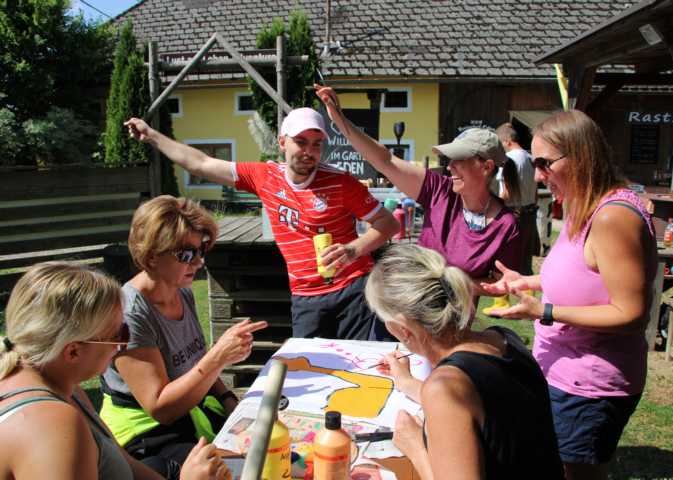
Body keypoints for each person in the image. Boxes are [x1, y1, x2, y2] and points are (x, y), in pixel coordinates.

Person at [485, 110, 658, 480]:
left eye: (545, 164)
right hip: (565, 374)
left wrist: (545, 311)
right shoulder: (585, 203)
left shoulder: (613, 217)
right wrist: (526, 282)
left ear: (580, 156)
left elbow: (631, 313)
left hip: (591, 386)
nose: (540, 176)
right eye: (535, 164)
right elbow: (583, 276)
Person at [124, 111, 398, 341]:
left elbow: (388, 222)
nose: (309, 152)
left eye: (316, 144)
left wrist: (353, 250)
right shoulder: (264, 176)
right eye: (301, 142)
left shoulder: (340, 181)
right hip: (304, 295)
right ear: (282, 142)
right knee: (310, 370)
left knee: (361, 365)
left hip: (353, 289)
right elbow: (201, 163)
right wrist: (151, 135)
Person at [0, 262, 230, 480]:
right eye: (118, 335)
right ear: (73, 352)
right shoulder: (52, 427)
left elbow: (126, 464)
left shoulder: (64, 387)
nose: (124, 344)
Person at [364, 244, 564, 480]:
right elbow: (481, 403)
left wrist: (415, 446)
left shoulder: (446, 387)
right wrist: (406, 382)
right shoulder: (502, 338)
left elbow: (456, 395)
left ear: (403, 330)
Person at [100, 196, 267, 477]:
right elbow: (160, 408)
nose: (199, 262)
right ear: (151, 256)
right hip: (146, 432)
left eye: (201, 250)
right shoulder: (130, 313)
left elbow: (195, 361)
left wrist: (228, 400)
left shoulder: (182, 291)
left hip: (189, 410)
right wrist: (218, 357)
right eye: (186, 254)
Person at [315, 85, 521, 293]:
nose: (450, 166)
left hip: (453, 321)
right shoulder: (440, 190)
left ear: (486, 167)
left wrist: (448, 282)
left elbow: (501, 285)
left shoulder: (505, 226)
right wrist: (340, 121)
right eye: (450, 159)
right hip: (412, 307)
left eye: (459, 159)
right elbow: (386, 161)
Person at [495, 123, 539, 275]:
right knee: (525, 264)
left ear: (507, 141)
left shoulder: (508, 160)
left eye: (500, 144)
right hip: (530, 213)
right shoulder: (531, 158)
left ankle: (502, 299)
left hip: (513, 214)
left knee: (504, 263)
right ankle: (528, 299)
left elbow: (506, 194)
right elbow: (536, 192)